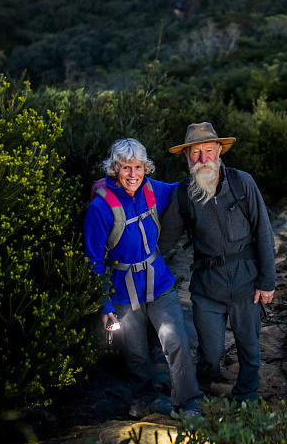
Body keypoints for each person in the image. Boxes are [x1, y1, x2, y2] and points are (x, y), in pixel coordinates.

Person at [84, 138, 202, 419]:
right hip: (123, 290)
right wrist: (105, 305)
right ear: (114, 168)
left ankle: (188, 405)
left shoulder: (153, 189)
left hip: (159, 281)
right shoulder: (99, 209)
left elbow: (178, 190)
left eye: (138, 166)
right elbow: (93, 260)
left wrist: (205, 170)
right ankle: (145, 398)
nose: (133, 174)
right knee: (135, 352)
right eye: (126, 167)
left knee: (176, 342)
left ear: (145, 167)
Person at [160, 122, 276, 403]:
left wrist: (267, 282)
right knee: (210, 352)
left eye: (208, 151)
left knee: (249, 347)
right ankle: (205, 384)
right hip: (207, 287)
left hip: (246, 282)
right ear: (187, 157)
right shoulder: (184, 194)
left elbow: (263, 230)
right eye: (195, 153)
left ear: (219, 150)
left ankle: (246, 396)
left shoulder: (242, 182)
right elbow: (163, 242)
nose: (202, 159)